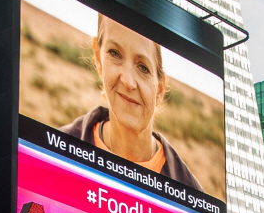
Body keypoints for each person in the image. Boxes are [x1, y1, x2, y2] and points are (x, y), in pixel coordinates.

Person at [60, 14, 203, 192]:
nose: (128, 81)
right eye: (115, 53)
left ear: (159, 89)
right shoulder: (53, 154)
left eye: (143, 67)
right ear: (98, 59)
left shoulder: (191, 194)